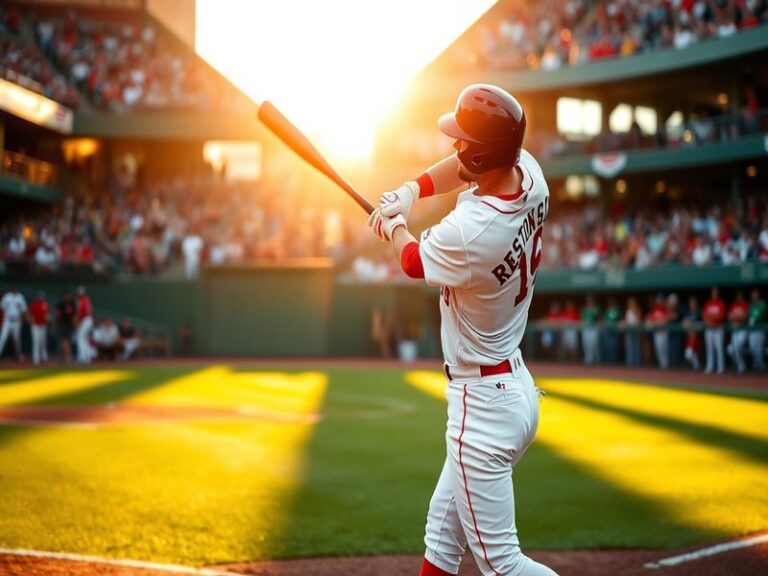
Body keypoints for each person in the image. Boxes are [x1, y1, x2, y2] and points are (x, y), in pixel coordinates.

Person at [368, 84, 558, 576]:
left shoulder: (473, 230)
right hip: (510, 384)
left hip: (483, 403)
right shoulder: (529, 174)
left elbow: (412, 260)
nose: (455, 147)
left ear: (486, 152)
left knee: (502, 566)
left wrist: (393, 225)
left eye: (465, 141)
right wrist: (410, 191)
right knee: (441, 538)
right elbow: (465, 166)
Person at [0, 285, 27, 361]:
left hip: (16, 321)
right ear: (11, 289)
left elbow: (24, 310)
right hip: (7, 320)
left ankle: (19, 356)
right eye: (13, 288)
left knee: (17, 340)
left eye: (15, 288)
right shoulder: (7, 297)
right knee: (2, 338)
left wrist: (21, 319)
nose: (14, 289)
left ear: (17, 289)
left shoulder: (20, 297)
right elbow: (2, 307)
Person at [703, 287, 726, 374]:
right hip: (709, 329)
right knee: (709, 349)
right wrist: (709, 320)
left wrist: (712, 319)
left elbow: (721, 316)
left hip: (718, 329)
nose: (714, 294)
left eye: (716, 292)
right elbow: (704, 315)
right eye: (713, 292)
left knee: (719, 348)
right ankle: (710, 366)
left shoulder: (720, 303)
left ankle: (720, 367)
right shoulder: (708, 303)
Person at [727, 291, 749, 374]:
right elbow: (729, 316)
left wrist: (736, 317)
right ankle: (741, 364)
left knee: (737, 347)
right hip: (735, 330)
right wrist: (738, 317)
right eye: (737, 296)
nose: (738, 298)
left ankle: (741, 365)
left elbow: (745, 316)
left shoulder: (745, 304)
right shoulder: (734, 304)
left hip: (743, 330)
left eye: (740, 296)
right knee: (730, 349)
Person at [646, 293, 670, 369]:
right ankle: (662, 364)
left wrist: (659, 322)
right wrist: (655, 322)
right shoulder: (655, 310)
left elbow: (666, 319)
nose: (659, 302)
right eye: (658, 300)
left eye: (660, 300)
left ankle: (666, 364)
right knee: (658, 348)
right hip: (657, 332)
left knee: (664, 348)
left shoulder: (665, 309)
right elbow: (650, 319)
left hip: (664, 332)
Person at [29, 291, 50, 365]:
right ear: (37, 297)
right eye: (39, 296)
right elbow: (31, 315)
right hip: (35, 326)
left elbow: (47, 315)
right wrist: (32, 322)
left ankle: (44, 358)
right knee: (36, 342)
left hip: (43, 325)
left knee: (43, 342)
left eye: (42, 296)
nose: (40, 298)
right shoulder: (34, 304)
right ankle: (36, 359)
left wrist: (48, 321)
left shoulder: (45, 304)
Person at [75, 286, 95, 364]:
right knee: (85, 338)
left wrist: (79, 322)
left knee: (80, 337)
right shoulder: (87, 299)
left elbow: (81, 312)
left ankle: (82, 357)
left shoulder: (80, 300)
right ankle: (87, 357)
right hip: (89, 319)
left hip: (85, 319)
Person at [56, 290, 76, 363]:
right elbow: (57, 314)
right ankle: (65, 357)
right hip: (62, 325)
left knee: (67, 341)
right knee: (62, 342)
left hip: (68, 325)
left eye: (68, 296)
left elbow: (74, 314)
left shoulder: (71, 303)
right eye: (66, 296)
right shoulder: (61, 304)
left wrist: (74, 323)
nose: (67, 297)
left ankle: (68, 357)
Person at [748, 289, 766, 371]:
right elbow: (748, 316)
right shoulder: (752, 305)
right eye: (753, 295)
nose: (754, 296)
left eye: (755, 295)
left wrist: (753, 320)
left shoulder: (762, 304)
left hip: (760, 330)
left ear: (758, 295)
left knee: (758, 348)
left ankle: (761, 366)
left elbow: (761, 314)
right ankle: (756, 365)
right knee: (752, 348)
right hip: (752, 331)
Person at [683, 296, 702, 370]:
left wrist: (692, 325)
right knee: (690, 352)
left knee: (690, 353)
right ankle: (696, 366)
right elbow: (684, 323)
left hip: (697, 335)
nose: (692, 304)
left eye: (693, 303)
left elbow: (701, 324)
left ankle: (696, 366)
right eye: (691, 303)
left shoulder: (698, 312)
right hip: (689, 335)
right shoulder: (688, 312)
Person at [623, 296, 643, 367]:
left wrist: (635, 311)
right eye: (630, 303)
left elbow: (638, 321)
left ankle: (637, 363)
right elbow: (626, 321)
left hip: (635, 330)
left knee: (636, 346)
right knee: (629, 346)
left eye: (632, 302)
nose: (631, 304)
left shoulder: (637, 309)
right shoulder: (628, 311)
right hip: (629, 330)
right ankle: (630, 362)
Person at [580, 295, 600, 365]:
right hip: (586, 328)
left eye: (591, 301)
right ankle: (587, 359)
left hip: (593, 328)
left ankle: (595, 359)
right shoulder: (584, 309)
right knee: (586, 344)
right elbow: (582, 318)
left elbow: (598, 317)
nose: (589, 302)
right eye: (588, 301)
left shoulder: (596, 309)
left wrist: (593, 310)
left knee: (593, 344)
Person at [602, 297, 622, 364]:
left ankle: (615, 360)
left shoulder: (617, 310)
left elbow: (620, 320)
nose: (611, 304)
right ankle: (608, 360)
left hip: (615, 331)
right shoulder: (607, 311)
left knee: (615, 346)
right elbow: (604, 320)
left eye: (613, 303)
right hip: (608, 331)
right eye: (610, 303)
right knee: (608, 346)